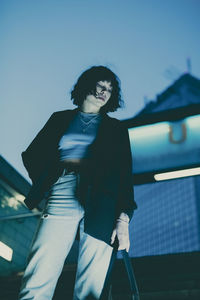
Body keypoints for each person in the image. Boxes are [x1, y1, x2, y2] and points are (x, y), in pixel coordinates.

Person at [18, 65, 137, 300]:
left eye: (110, 90)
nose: (104, 92)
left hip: (103, 201)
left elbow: (124, 175)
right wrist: (47, 182)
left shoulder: (116, 129)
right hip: (63, 188)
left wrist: (124, 218)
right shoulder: (60, 119)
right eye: (101, 85)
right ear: (86, 84)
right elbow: (31, 155)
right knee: (40, 269)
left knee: (92, 283)